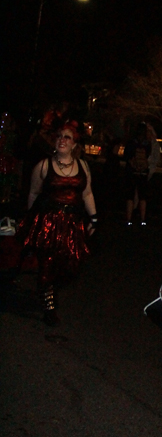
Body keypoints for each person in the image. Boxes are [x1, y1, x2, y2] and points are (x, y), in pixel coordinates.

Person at [19, 122, 97, 325]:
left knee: (70, 266)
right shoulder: (44, 166)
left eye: (67, 137)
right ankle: (49, 305)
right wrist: (30, 219)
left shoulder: (82, 166)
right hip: (49, 223)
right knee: (47, 263)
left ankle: (48, 288)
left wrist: (94, 218)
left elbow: (87, 193)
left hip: (72, 225)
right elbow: (33, 193)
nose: (62, 140)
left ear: (74, 144)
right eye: (59, 136)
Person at [124, 123, 152, 226]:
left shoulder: (131, 142)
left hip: (131, 171)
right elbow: (149, 156)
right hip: (143, 172)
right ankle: (143, 219)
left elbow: (126, 156)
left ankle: (129, 219)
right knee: (142, 196)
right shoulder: (147, 144)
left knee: (130, 195)